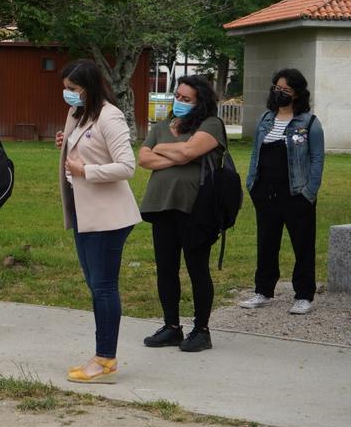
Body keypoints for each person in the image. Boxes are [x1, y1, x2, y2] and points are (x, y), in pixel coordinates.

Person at [55, 60, 141, 383]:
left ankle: (105, 359)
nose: (68, 95)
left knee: (103, 287)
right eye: (65, 89)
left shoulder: (110, 115)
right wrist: (68, 144)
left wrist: (85, 171)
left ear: (89, 88)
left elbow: (126, 166)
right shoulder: (80, 114)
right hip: (84, 213)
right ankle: (102, 355)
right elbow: (88, 149)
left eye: (73, 90)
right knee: (95, 285)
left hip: (109, 217)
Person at [138, 75, 225, 353]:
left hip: (196, 207)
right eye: (177, 96)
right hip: (161, 204)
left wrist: (162, 149)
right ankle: (172, 327)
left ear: (200, 102)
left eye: (186, 99)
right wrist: (177, 153)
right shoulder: (162, 126)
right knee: (166, 268)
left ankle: (202, 330)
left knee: (197, 267)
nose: (179, 102)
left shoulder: (211, 125)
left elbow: (189, 151)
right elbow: (143, 159)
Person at [239, 69, 324, 315]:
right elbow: (256, 152)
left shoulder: (309, 123)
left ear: (297, 94)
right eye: (276, 88)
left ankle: (304, 295)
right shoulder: (266, 119)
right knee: (266, 242)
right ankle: (263, 291)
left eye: (285, 90)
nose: (279, 93)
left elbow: (317, 160)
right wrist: (251, 183)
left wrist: (309, 191)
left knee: (302, 244)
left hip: (297, 193)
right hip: (265, 192)